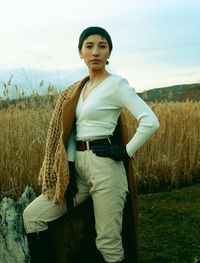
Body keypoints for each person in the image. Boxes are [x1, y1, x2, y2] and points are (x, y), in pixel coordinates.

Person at [23, 26, 159, 263]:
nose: (95, 52)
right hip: (76, 171)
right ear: (80, 52)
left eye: (102, 46)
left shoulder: (117, 85)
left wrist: (124, 151)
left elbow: (150, 121)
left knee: (108, 242)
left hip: (105, 168)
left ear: (109, 53)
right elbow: (72, 130)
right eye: (89, 46)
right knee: (33, 217)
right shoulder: (77, 89)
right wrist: (71, 167)